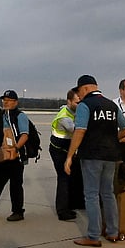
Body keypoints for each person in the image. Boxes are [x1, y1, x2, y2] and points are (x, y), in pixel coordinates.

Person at [65, 75, 125, 247]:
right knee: (108, 194)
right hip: (111, 156)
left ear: (85, 89)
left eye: (79, 91)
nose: (78, 95)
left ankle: (93, 236)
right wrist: (112, 140)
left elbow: (79, 131)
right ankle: (113, 232)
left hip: (92, 155)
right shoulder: (112, 104)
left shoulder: (85, 105)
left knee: (91, 195)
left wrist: (70, 156)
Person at [0, 90, 28, 222]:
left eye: (9, 100)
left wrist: (16, 148)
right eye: (4, 100)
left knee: (16, 184)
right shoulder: (1, 115)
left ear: (16, 102)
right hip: (2, 156)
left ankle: (18, 211)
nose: (6, 102)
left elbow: (24, 135)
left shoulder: (20, 116)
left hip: (15, 156)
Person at [49, 88, 85, 221]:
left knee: (76, 176)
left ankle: (76, 203)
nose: (79, 105)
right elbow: (76, 130)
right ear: (69, 101)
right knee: (64, 177)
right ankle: (62, 211)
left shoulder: (77, 111)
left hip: (70, 149)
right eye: (77, 102)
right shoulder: (64, 116)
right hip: (59, 150)